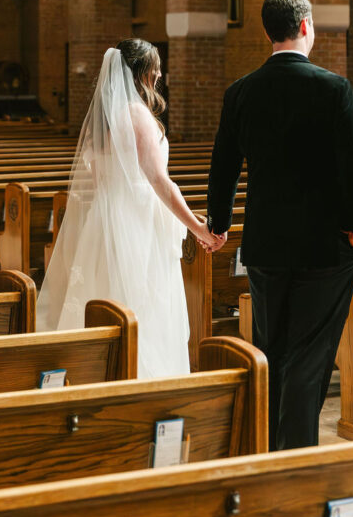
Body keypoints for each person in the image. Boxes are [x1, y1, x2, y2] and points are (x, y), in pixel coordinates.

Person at [207, 0, 353, 450]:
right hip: (324, 246)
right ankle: (295, 456)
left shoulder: (240, 92)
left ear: (266, 32)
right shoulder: (333, 88)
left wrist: (218, 225)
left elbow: (223, 168)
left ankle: (266, 445)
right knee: (308, 354)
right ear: (305, 27)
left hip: (265, 244)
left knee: (271, 349)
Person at [37, 39, 219, 378]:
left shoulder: (104, 118)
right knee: (142, 306)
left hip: (105, 220)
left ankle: (93, 374)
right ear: (141, 72)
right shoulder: (136, 115)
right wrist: (198, 228)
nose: (161, 73)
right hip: (136, 224)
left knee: (101, 297)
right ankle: (139, 381)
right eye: (156, 67)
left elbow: (99, 170)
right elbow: (160, 182)